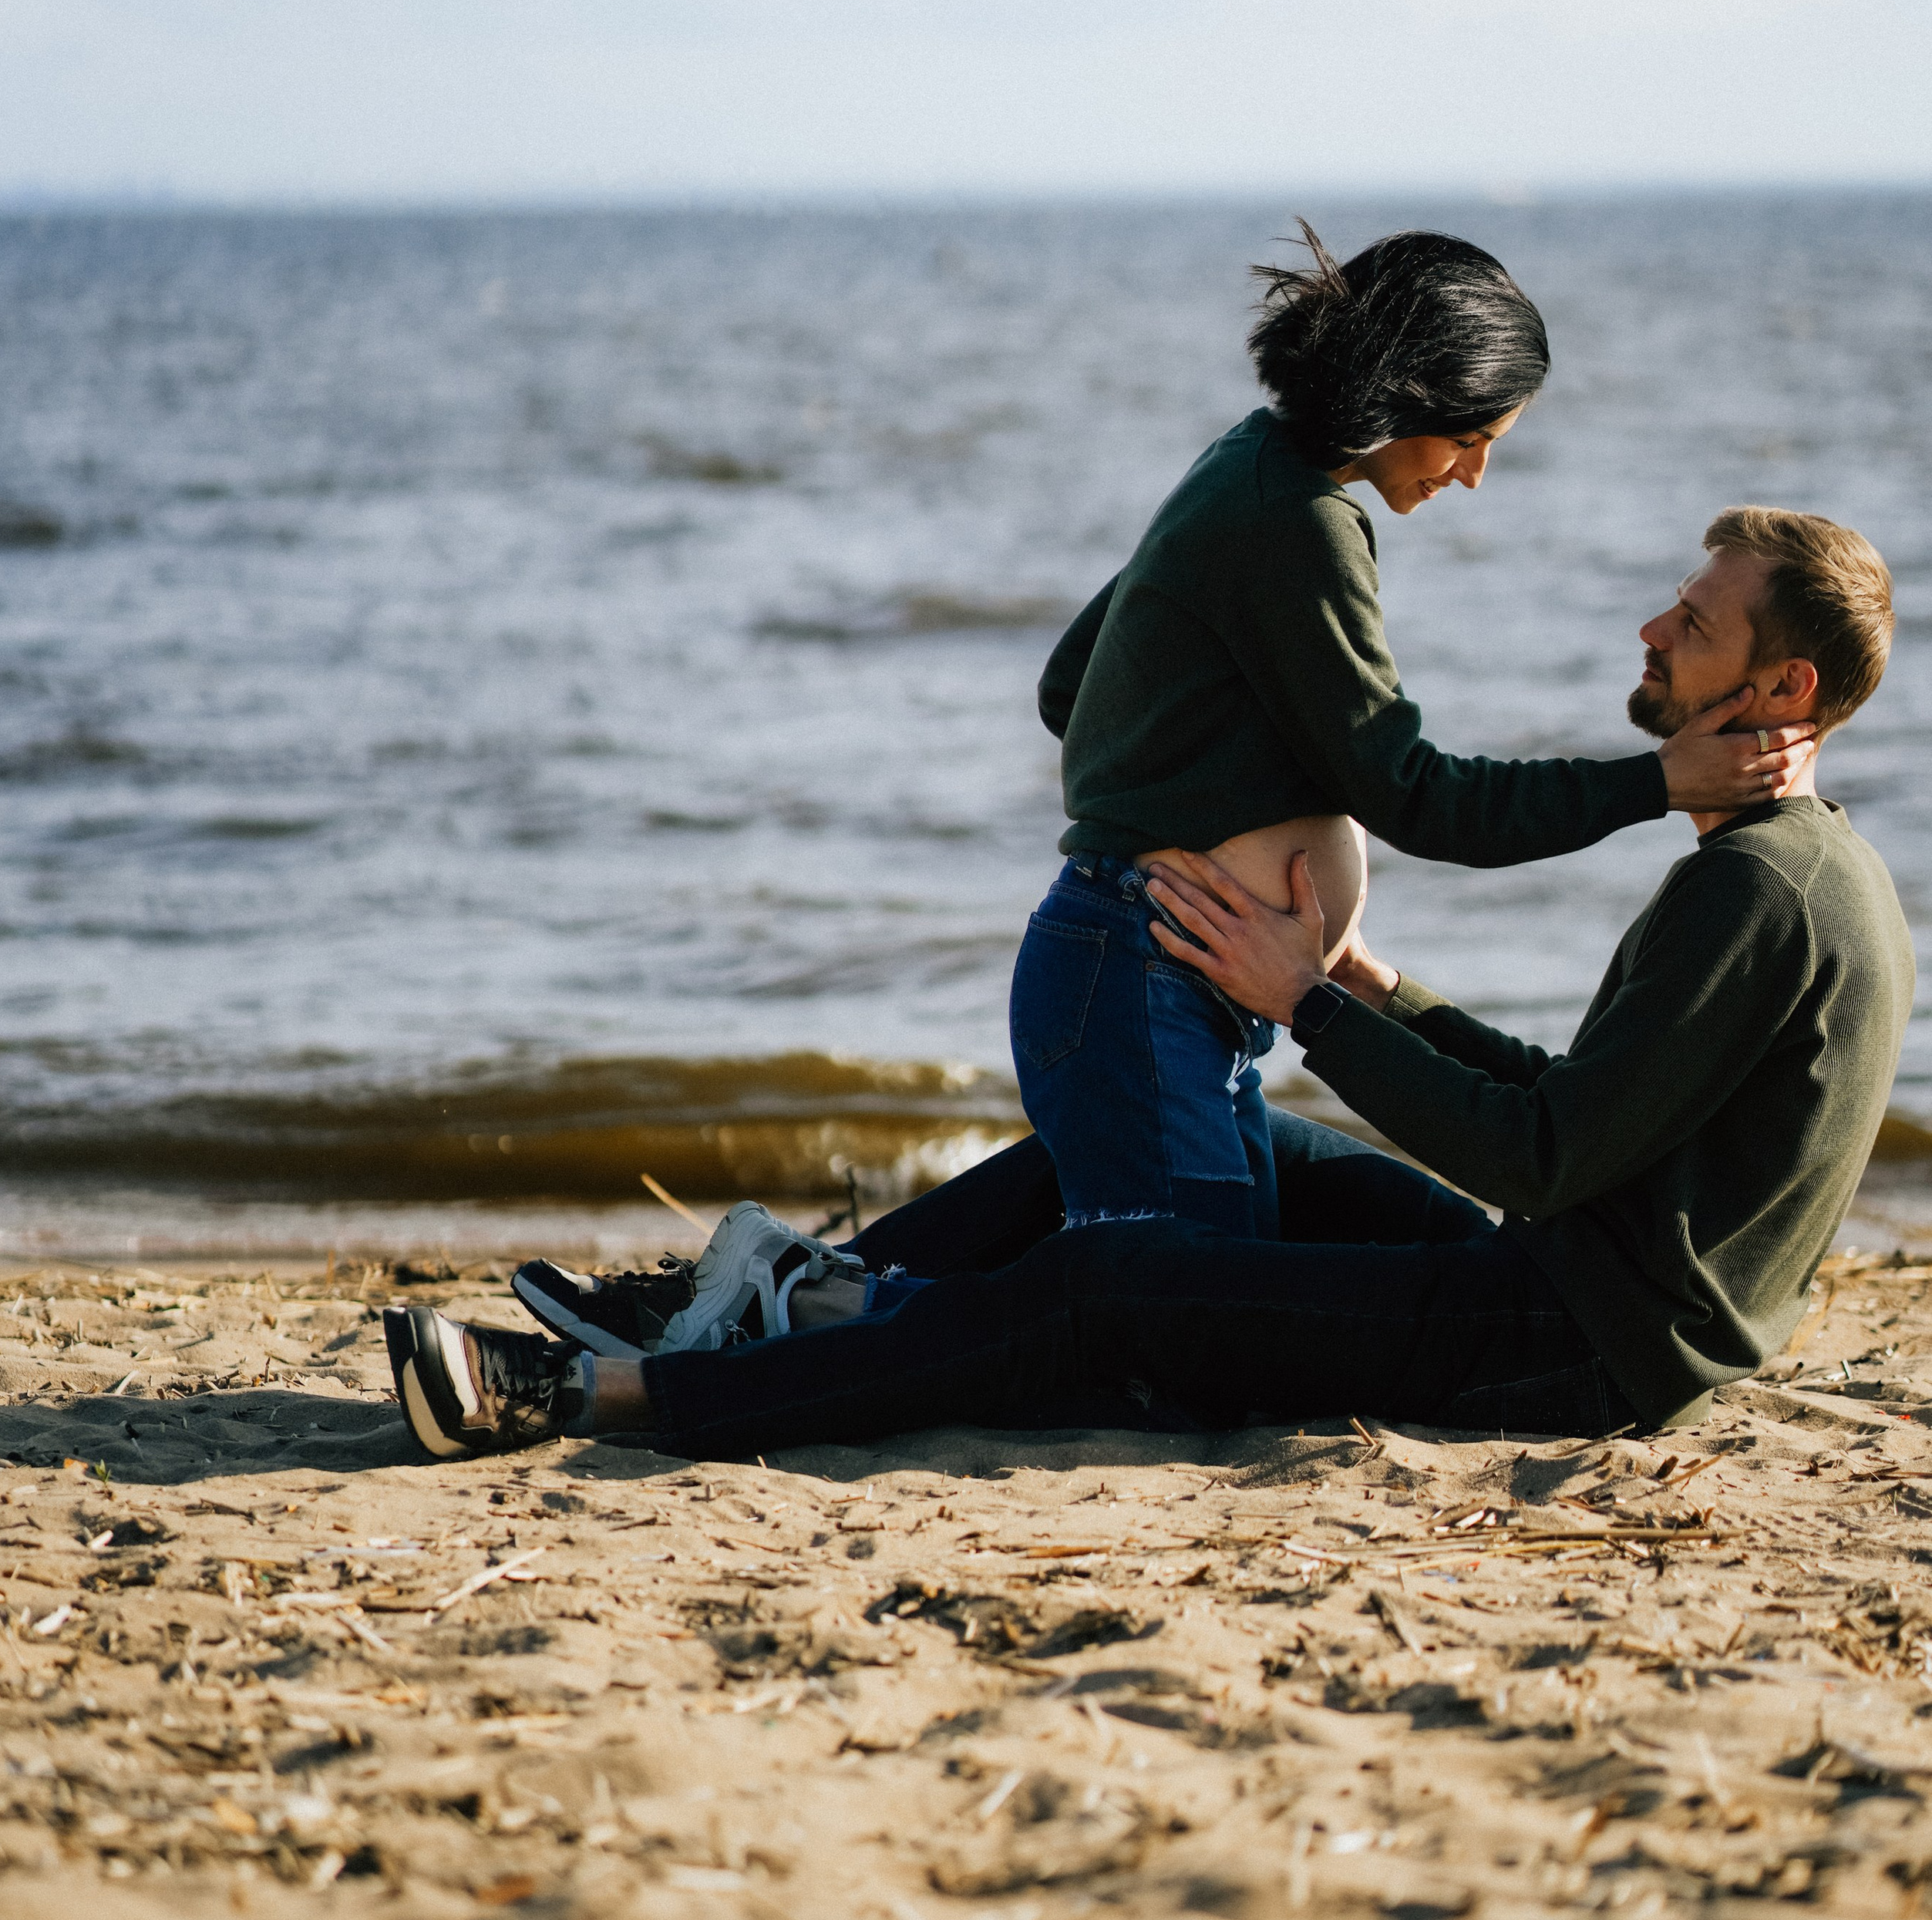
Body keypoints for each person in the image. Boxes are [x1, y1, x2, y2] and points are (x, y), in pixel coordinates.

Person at [385, 506, 1911, 1464]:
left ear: (1775, 693)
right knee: (1191, 1152)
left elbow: (1541, 1156)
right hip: (1578, 1289)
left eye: (1694, 624)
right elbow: (1583, 1107)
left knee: (1118, 1280)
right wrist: (1366, 982)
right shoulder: (1800, 867)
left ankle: (612, 1404)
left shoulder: (1751, 891)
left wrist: (1297, 1004)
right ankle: (743, 1298)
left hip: (1579, 1345)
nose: (1652, 627)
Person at [1009, 225, 1814, 1242]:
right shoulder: (1297, 522)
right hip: (1140, 964)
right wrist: (1659, 782)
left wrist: (1207, 796)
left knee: (1194, 1315)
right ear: (1412, 393)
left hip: (1157, 968)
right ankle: (820, 1321)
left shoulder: (1247, 468)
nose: (1473, 475)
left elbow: (1069, 684)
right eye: (1473, 439)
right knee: (1175, 1334)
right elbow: (1418, 799)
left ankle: (823, 1300)